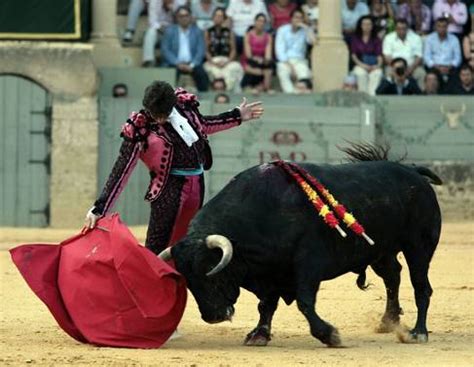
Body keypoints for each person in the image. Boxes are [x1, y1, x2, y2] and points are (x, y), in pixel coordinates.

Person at [84, 81, 264, 256]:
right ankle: (154, 285)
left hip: (197, 184)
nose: (160, 118)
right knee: (157, 247)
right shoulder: (140, 127)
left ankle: (179, 285)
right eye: (156, 114)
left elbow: (205, 125)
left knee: (188, 244)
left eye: (164, 113)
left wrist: (237, 115)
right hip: (168, 189)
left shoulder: (185, 109)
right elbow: (122, 168)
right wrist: (100, 207)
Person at [160, 6, 210, 91]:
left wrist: (192, 65)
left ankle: (203, 100)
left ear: (190, 17)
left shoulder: (197, 31)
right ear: (177, 18)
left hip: (193, 64)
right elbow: (165, 50)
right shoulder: (170, 31)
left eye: (186, 15)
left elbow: (200, 50)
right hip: (174, 63)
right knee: (165, 78)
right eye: (181, 16)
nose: (184, 18)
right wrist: (177, 63)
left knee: (202, 75)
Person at [275, 8, 315, 94]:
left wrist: (306, 27)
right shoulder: (282, 30)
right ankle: (290, 94)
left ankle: (301, 96)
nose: (298, 20)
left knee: (304, 75)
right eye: (296, 17)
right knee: (282, 70)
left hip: (300, 61)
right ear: (291, 18)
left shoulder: (305, 31)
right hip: (285, 61)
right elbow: (280, 52)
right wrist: (291, 67)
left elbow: (313, 42)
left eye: (300, 18)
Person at [204, 7, 244, 92]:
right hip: (213, 60)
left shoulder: (229, 32)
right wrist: (213, 62)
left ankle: (229, 93)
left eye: (221, 16)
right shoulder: (208, 31)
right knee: (209, 69)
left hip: (226, 60)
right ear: (213, 17)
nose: (218, 18)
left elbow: (233, 50)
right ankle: (215, 93)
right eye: (217, 16)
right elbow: (206, 50)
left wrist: (227, 62)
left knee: (235, 68)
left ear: (224, 18)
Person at [142, 0, 187, 67]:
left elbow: (182, 24)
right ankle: (148, 61)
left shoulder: (178, 4)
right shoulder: (154, 2)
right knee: (151, 32)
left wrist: (173, 12)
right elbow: (152, 22)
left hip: (172, 33)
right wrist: (163, 29)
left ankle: (166, 61)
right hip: (159, 31)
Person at [383, 18, 425, 89]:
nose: (401, 31)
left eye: (404, 28)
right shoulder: (388, 38)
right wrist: (396, 69)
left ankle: (421, 97)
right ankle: (391, 97)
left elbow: (419, 57)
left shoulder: (416, 38)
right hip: (393, 67)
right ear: (395, 28)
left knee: (421, 73)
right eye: (399, 29)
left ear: (407, 28)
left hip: (411, 67)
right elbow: (387, 57)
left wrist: (410, 69)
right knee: (388, 73)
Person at [240, 13, 275, 94]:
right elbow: (248, 55)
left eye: (263, 21)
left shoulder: (268, 36)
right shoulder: (248, 35)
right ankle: (249, 87)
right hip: (249, 61)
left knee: (269, 67)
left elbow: (268, 55)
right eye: (259, 21)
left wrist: (264, 61)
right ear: (255, 22)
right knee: (254, 68)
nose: (261, 23)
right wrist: (257, 60)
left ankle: (266, 87)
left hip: (262, 61)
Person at [350, 15, 383, 96]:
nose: (367, 26)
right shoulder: (355, 38)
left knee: (377, 73)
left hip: (373, 65)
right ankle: (363, 97)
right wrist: (363, 65)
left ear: (372, 26)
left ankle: (372, 97)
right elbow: (353, 56)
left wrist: (377, 66)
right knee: (360, 74)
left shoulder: (376, 39)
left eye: (369, 24)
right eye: (364, 24)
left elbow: (379, 56)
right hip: (360, 65)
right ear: (361, 26)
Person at [424, 17, 462, 86]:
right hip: (434, 67)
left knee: (456, 75)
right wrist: (436, 67)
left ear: (447, 27)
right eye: (439, 26)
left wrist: (450, 66)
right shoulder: (429, 38)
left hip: (450, 67)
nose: (441, 29)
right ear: (435, 27)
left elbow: (458, 58)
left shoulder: (454, 39)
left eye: (444, 26)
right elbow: (427, 57)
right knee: (431, 75)